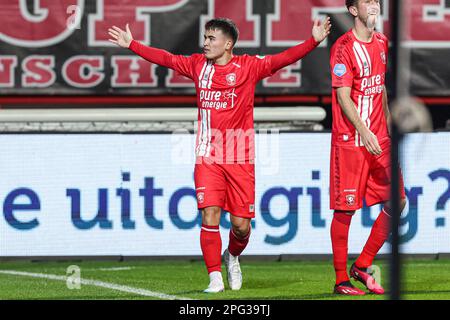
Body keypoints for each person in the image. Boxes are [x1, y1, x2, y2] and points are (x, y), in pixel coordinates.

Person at [108, 17, 331, 293]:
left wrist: (313, 41)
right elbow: (166, 58)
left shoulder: (249, 66)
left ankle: (233, 256)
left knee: (241, 227)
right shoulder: (197, 66)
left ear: (228, 44)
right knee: (209, 214)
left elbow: (282, 59)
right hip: (208, 156)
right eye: (205, 37)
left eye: (211, 38)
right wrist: (132, 45)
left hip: (240, 156)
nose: (205, 43)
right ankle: (214, 277)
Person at [329, 0, 407, 295]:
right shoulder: (343, 48)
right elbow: (343, 96)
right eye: (367, 1)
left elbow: (381, 85)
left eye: (376, 0)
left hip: (380, 139)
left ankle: (362, 265)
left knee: (397, 200)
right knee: (345, 210)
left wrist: (387, 125)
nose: (374, 5)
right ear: (353, 10)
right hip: (351, 141)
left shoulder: (382, 42)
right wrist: (364, 130)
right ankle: (340, 280)